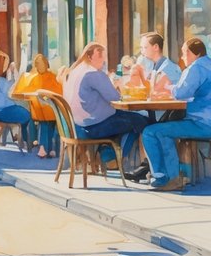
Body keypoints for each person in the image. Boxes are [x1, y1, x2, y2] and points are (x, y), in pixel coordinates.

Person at [141, 38, 211, 192]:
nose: (183, 57)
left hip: (201, 124)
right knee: (163, 127)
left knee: (151, 132)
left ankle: (167, 177)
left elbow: (181, 92)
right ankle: (171, 174)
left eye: (184, 53)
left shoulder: (196, 68)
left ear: (194, 53)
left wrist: (167, 87)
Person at [63, 42, 148, 172]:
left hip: (78, 125)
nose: (103, 61)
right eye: (101, 57)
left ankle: (107, 153)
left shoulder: (75, 71)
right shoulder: (93, 73)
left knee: (129, 118)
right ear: (90, 56)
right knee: (140, 121)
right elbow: (114, 97)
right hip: (93, 126)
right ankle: (112, 158)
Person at [13, 53, 63, 158]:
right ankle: (45, 148)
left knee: (48, 124)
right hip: (41, 110)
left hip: (51, 108)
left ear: (46, 64)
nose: (40, 66)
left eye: (41, 63)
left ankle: (46, 148)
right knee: (45, 123)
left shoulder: (53, 77)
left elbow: (59, 91)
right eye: (37, 64)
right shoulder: (34, 78)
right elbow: (25, 90)